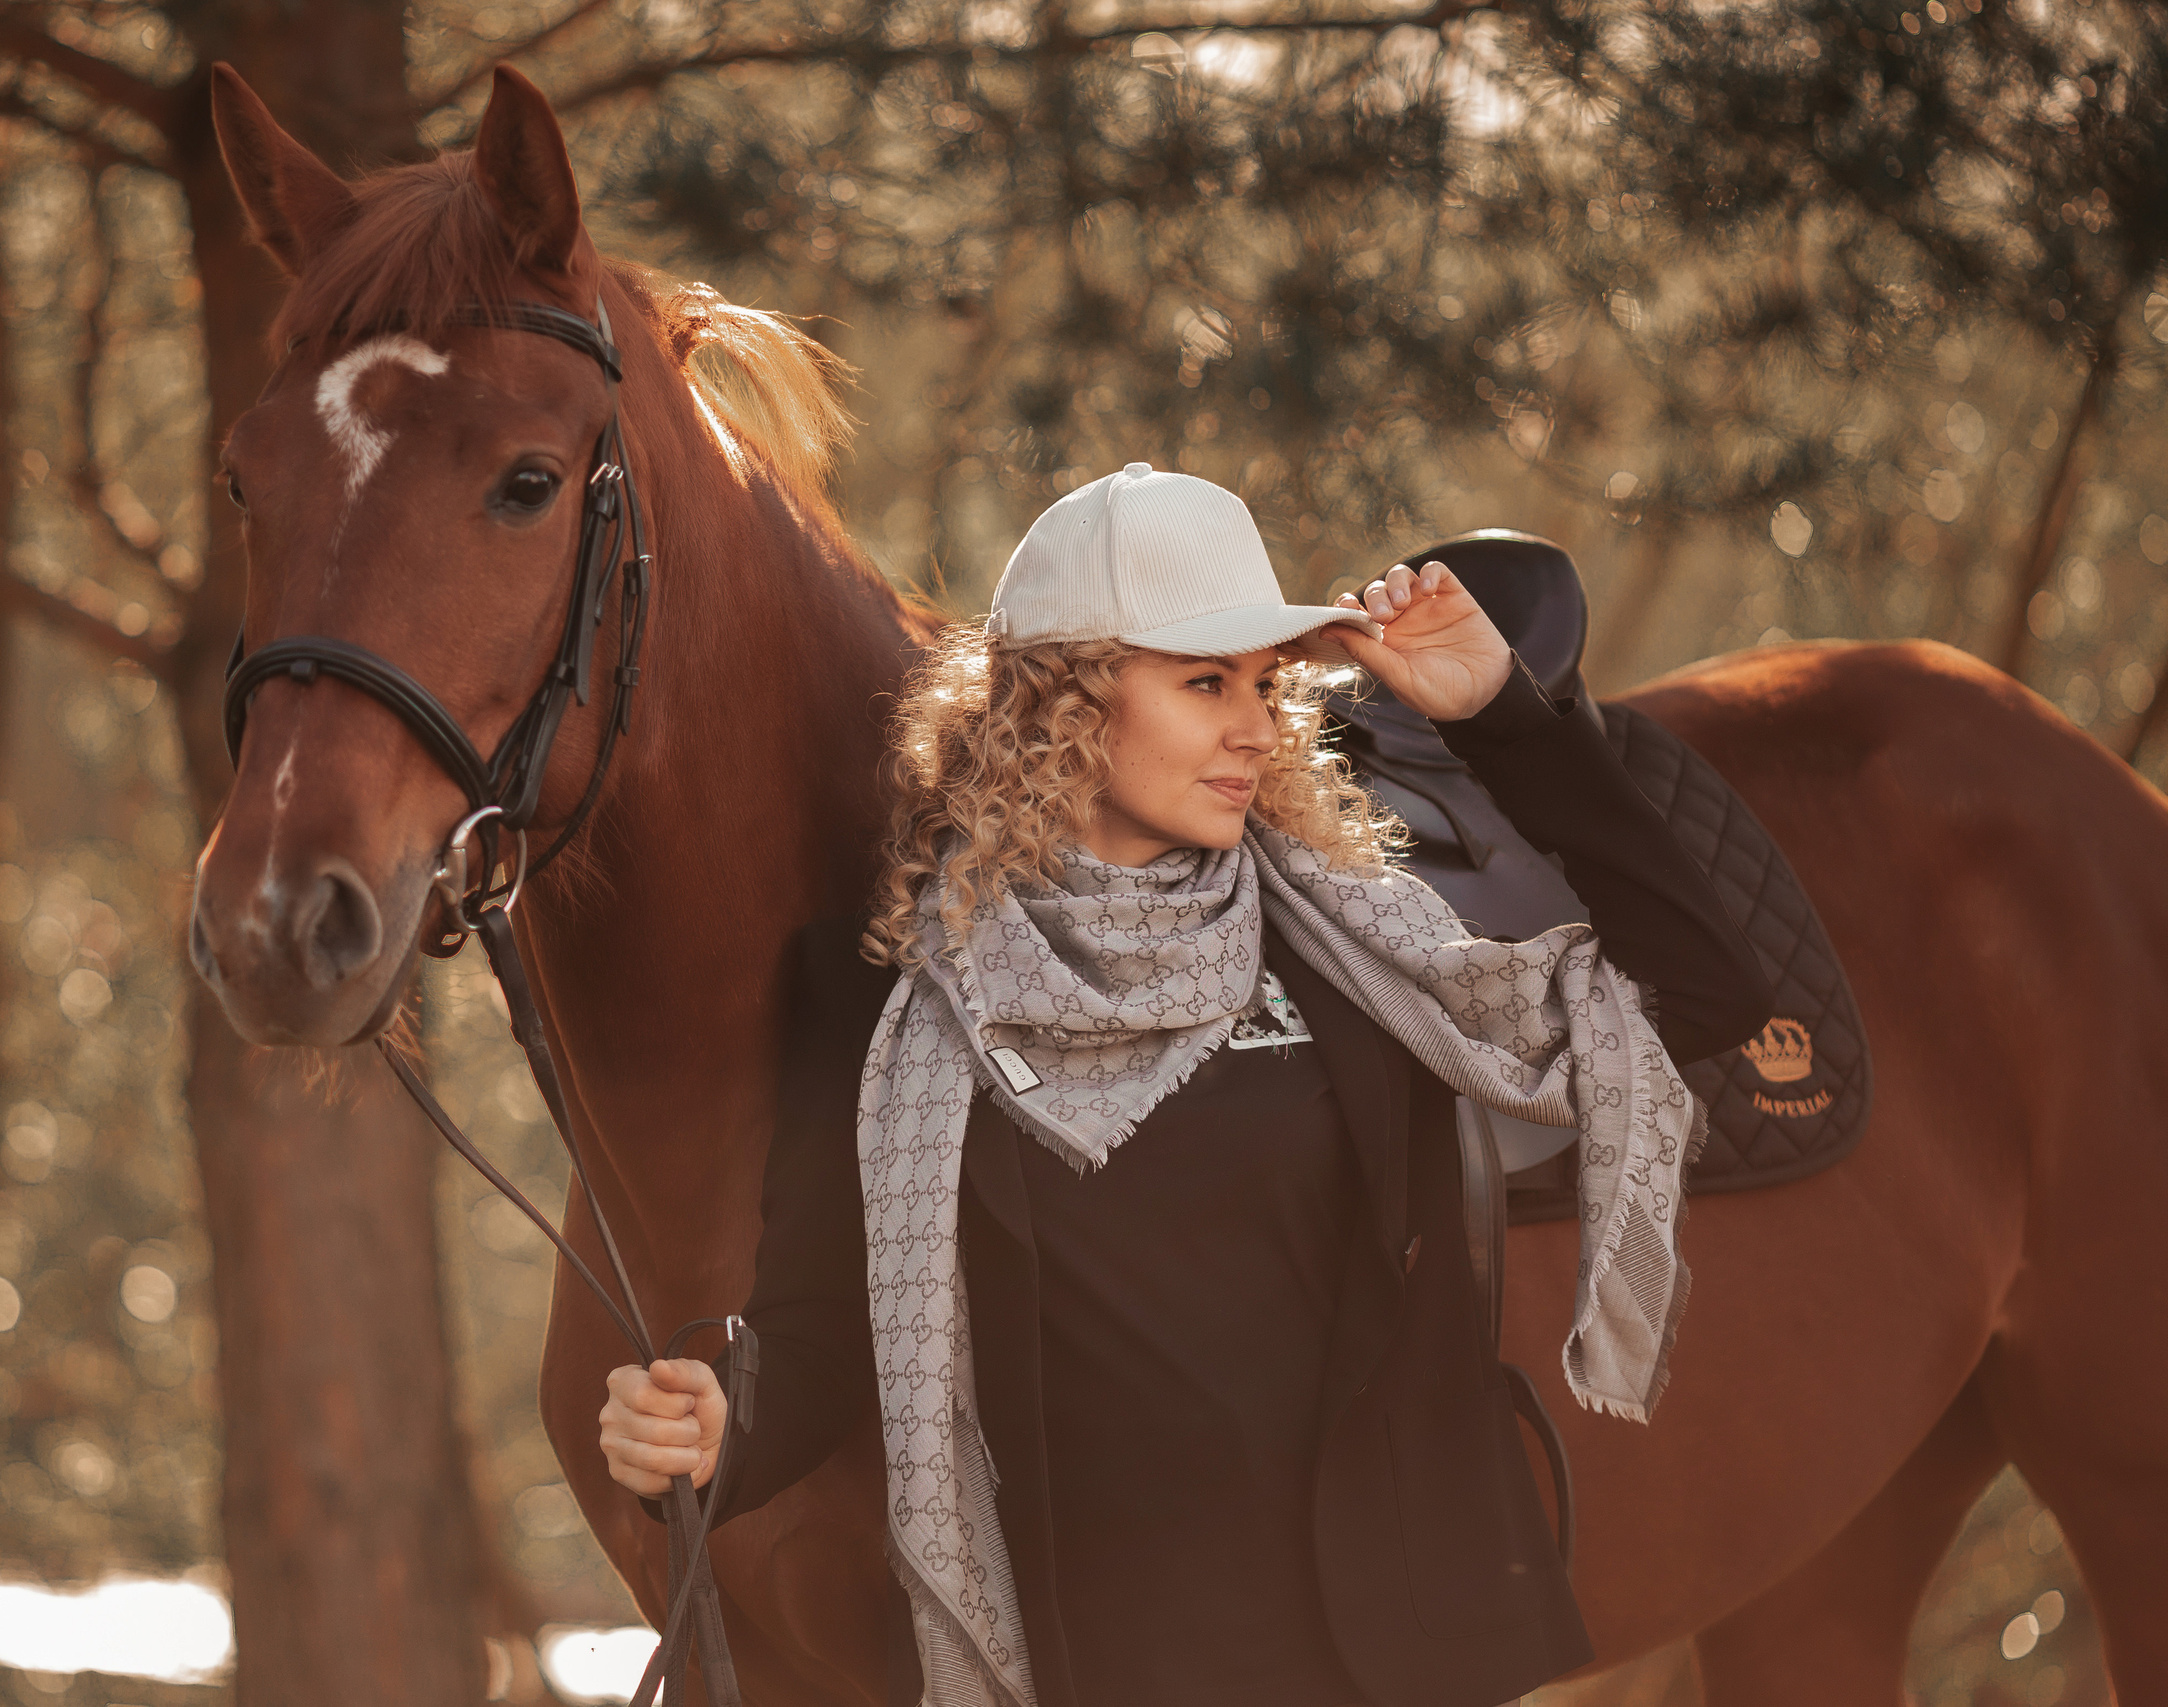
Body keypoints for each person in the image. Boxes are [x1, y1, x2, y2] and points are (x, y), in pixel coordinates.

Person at [597, 464, 1772, 1707]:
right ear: (1060, 706)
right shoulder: (881, 1001)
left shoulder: (1355, 948)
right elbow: (829, 1334)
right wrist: (716, 1425)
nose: (1256, 727)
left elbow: (1701, 993)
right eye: (1205, 682)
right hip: (1096, 1663)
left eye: (1265, 685)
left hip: (1384, 1663)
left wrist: (1505, 719)